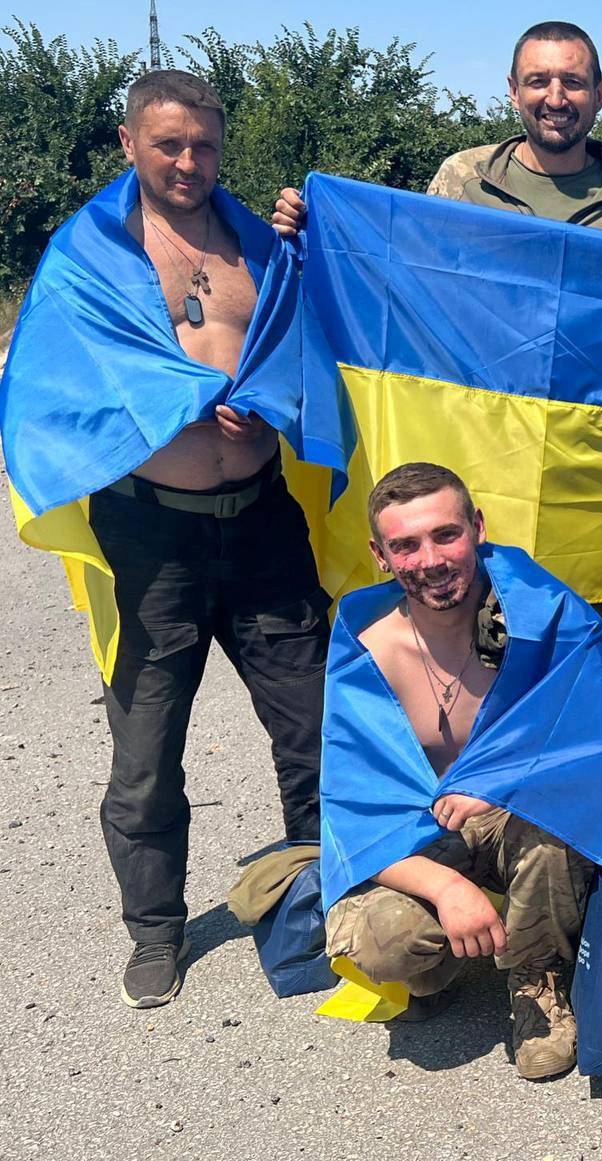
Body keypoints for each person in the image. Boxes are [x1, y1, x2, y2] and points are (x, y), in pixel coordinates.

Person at [0, 70, 347, 1009]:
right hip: (152, 534)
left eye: (203, 145)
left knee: (314, 724)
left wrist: (270, 402)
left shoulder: (261, 249)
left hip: (266, 522)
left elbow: (309, 355)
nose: (188, 162)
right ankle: (155, 930)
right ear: (129, 144)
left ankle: (328, 898)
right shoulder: (87, 258)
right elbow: (57, 397)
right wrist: (183, 412)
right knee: (147, 749)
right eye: (168, 145)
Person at [272, 20, 602, 646]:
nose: (556, 96)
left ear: (600, 92)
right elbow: (401, 283)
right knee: (481, 645)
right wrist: (317, 237)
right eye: (538, 80)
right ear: (513, 90)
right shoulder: (462, 183)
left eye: (572, 81)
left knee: (585, 646)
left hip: (595, 470)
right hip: (485, 453)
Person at [319, 463, 602, 1080]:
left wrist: (507, 782)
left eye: (445, 535)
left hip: (521, 820)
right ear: (379, 555)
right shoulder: (364, 647)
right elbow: (355, 813)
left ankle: (538, 979)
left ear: (478, 528)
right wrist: (446, 889)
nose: (430, 560)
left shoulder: (546, 621)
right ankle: (452, 955)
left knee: (553, 823)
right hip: (421, 836)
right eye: (405, 545)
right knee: (383, 943)